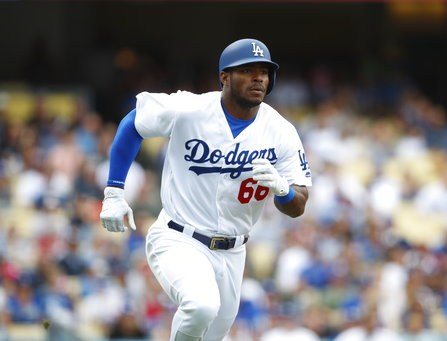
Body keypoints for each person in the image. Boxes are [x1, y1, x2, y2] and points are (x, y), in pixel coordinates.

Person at [99, 38, 312, 341]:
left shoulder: (281, 132)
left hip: (233, 252)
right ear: (225, 77)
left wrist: (283, 190)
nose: (258, 78)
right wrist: (114, 191)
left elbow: (298, 204)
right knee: (200, 306)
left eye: (263, 72)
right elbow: (133, 123)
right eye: (247, 70)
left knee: (212, 334)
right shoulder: (190, 108)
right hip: (179, 236)